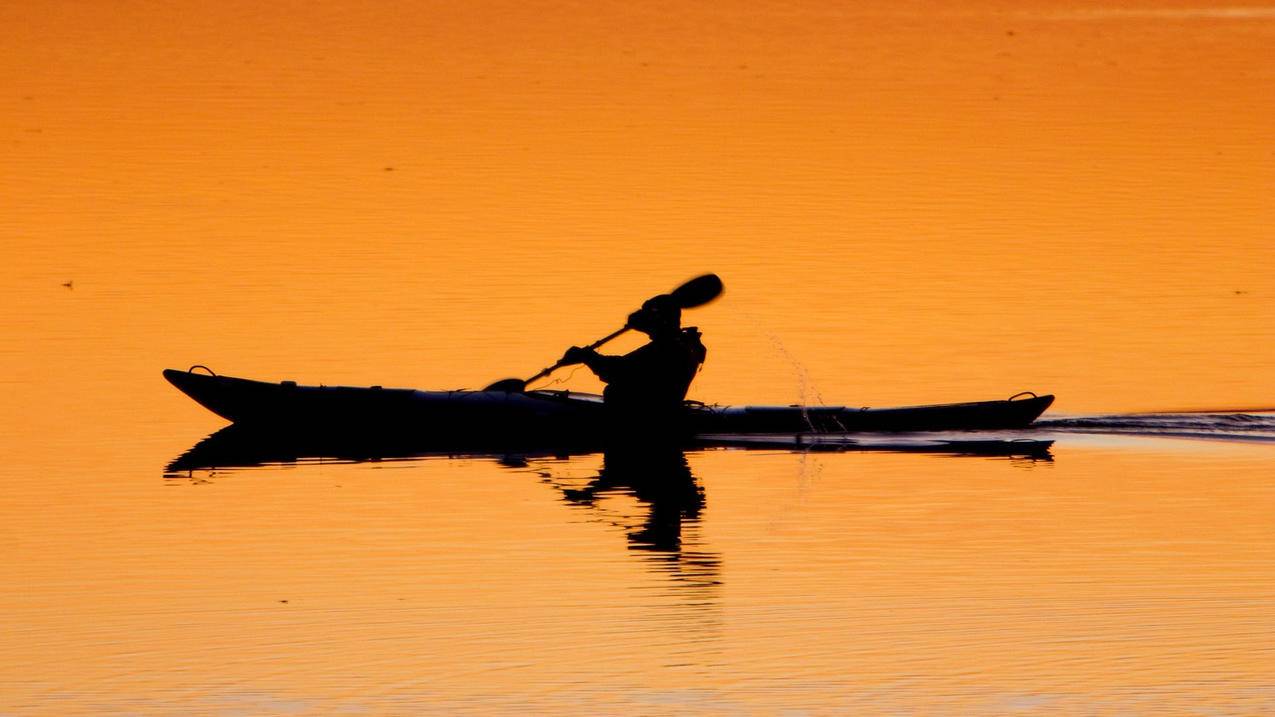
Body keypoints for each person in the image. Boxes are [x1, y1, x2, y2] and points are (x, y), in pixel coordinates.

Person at [559, 294, 707, 430]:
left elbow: (617, 371)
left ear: (660, 321)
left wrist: (587, 356)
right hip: (659, 409)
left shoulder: (666, 349)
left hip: (640, 416)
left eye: (649, 316)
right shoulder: (685, 344)